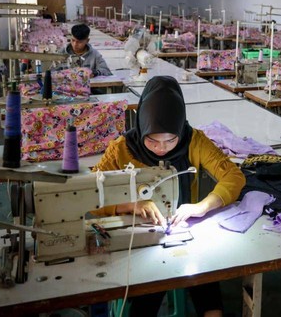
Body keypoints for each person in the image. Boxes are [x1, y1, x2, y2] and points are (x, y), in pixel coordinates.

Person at [93, 76, 246, 317]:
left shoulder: (194, 140)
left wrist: (203, 206)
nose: (162, 148)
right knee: (150, 290)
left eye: (170, 140)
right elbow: (90, 194)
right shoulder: (121, 149)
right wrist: (129, 205)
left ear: (180, 129)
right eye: (152, 140)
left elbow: (234, 177)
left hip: (184, 229)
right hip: (137, 238)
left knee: (207, 284)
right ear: (142, 125)